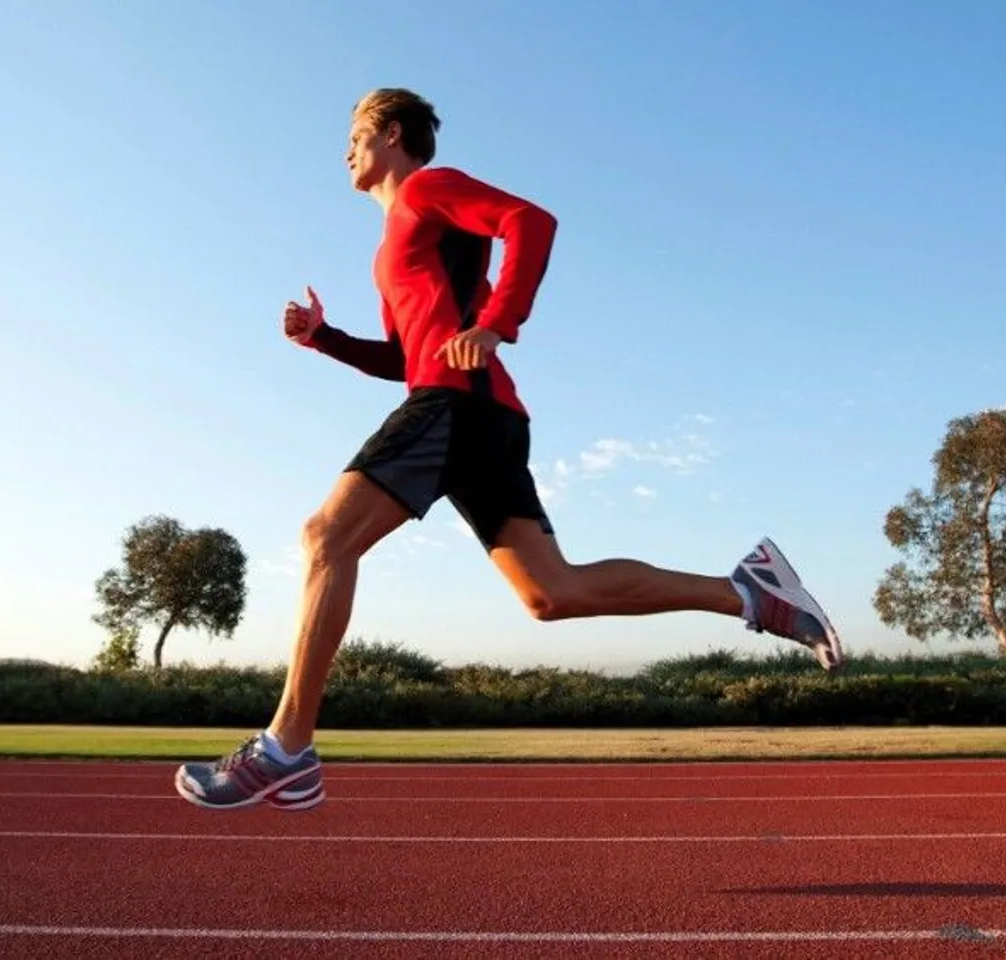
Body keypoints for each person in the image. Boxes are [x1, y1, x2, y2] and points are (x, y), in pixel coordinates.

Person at [174, 88, 843, 812]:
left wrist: (498, 323)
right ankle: (747, 592)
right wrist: (323, 338)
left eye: (355, 136)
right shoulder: (389, 250)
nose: (346, 152)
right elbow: (405, 357)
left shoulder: (427, 189)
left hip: (456, 404)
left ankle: (287, 749)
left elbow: (530, 221)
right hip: (476, 412)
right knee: (552, 594)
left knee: (325, 537)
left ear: (391, 134)